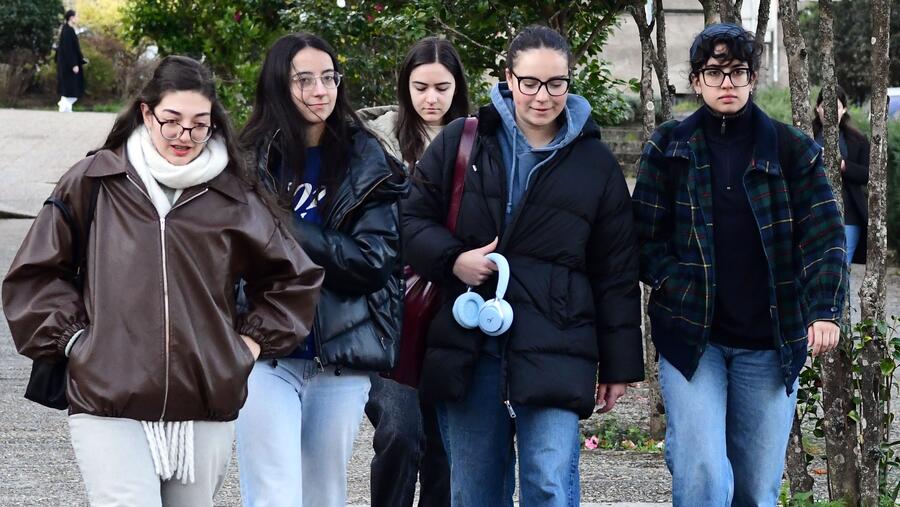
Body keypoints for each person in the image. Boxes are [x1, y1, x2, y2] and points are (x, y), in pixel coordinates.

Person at [2, 55, 324, 506]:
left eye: (199, 124)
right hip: (108, 395)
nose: (184, 136)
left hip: (205, 399)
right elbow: (34, 274)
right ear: (145, 112)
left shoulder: (235, 195)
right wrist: (77, 343)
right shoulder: (95, 180)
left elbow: (292, 279)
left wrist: (244, 347)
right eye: (171, 121)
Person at [403, 25, 643, 506]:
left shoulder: (595, 162)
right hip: (469, 341)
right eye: (530, 82)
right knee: (475, 493)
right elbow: (409, 221)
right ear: (508, 79)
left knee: (550, 485)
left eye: (556, 83)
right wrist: (454, 260)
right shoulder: (462, 141)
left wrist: (618, 364)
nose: (543, 95)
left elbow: (615, 271)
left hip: (558, 340)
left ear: (569, 83)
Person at [632, 23, 847, 505]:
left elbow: (825, 234)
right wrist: (673, 280)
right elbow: (642, 237)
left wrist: (824, 309)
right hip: (692, 339)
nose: (726, 82)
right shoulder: (668, 148)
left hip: (770, 343)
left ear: (752, 78)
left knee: (755, 490)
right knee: (704, 472)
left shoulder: (792, 150)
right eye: (714, 72)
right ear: (696, 80)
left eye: (738, 72)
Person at [235, 32, 408, 507]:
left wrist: (286, 228)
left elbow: (372, 263)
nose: (320, 91)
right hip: (265, 353)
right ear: (277, 85)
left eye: (328, 78)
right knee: (272, 494)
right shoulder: (245, 162)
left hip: (340, 358)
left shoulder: (368, 162)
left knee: (324, 496)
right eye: (304, 80)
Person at [356, 35, 469, 507]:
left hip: (452, 309)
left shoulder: (475, 142)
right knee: (400, 432)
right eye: (420, 87)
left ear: (457, 88)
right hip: (387, 309)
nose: (431, 98)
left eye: (442, 88)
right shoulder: (374, 146)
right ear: (405, 87)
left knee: (445, 445)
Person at [813, 85, 870, 266]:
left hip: (849, 217)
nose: (829, 112)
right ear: (817, 108)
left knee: (841, 270)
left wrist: (843, 165)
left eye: (835, 107)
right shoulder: (805, 136)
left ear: (843, 109)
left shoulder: (858, 140)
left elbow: (868, 175)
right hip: (813, 214)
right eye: (825, 106)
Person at [57, 10, 86, 112]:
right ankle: (64, 106)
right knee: (70, 87)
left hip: (69, 64)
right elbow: (68, 49)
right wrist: (73, 64)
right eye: (76, 16)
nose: (77, 18)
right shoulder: (67, 31)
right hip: (68, 66)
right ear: (71, 17)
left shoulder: (68, 30)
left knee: (72, 88)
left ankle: (65, 106)